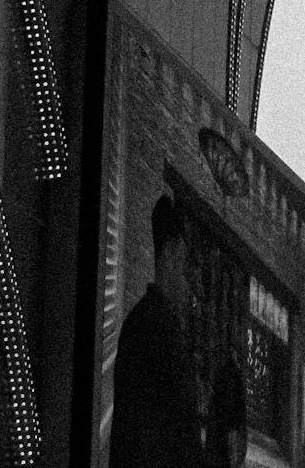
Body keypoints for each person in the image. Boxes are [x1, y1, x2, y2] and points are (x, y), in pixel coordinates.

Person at [112, 196, 204, 467]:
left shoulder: (142, 323)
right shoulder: (158, 332)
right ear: (171, 255)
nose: (191, 286)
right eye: (185, 267)